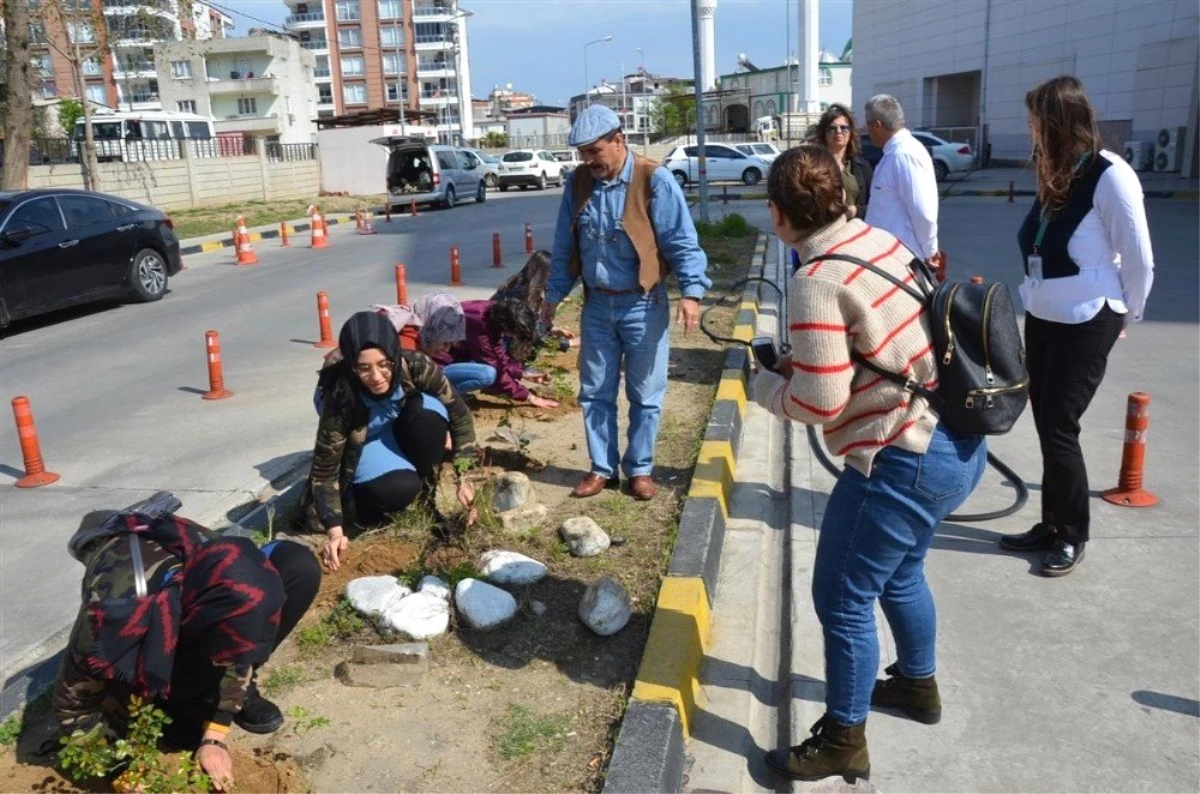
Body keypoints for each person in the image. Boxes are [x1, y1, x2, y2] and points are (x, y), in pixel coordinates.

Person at [752, 146, 987, 783]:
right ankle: (916, 686)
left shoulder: (816, 278)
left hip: (902, 457)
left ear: (777, 214)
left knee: (842, 597)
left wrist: (763, 389)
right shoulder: (877, 241)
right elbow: (865, 351)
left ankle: (844, 741)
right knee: (901, 574)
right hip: (957, 444)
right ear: (845, 198)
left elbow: (818, 400)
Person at [998, 76, 1154, 576]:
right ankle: (1051, 524)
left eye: (1036, 122)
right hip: (1044, 316)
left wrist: (1127, 313)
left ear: (1059, 122)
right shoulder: (1058, 172)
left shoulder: (1110, 174)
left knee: (1061, 424)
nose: (1031, 132)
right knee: (1045, 419)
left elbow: (1139, 258)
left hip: (1088, 318)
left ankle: (1073, 533)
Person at [53, 506, 320, 792]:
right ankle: (167, 694)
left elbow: (238, 648)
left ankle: (195, 693)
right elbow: (72, 703)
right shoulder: (115, 613)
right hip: (132, 591)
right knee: (178, 731)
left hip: (182, 601)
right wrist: (123, 771)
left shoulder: (227, 569)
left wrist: (214, 737)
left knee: (295, 567)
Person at [544, 104, 711, 501]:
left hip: (643, 304)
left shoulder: (655, 180)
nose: (588, 161)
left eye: (594, 152)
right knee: (595, 392)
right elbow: (565, 245)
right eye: (583, 154)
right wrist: (551, 298)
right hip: (598, 307)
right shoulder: (578, 184)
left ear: (618, 140)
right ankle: (602, 469)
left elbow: (680, 240)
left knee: (646, 394)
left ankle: (640, 468)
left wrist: (691, 292)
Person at [298, 311, 478, 570]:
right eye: (364, 368)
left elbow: (459, 414)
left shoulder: (415, 364)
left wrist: (465, 475)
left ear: (395, 355)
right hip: (365, 436)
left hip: (398, 419)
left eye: (384, 364)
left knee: (428, 416)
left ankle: (426, 491)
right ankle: (366, 500)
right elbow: (324, 470)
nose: (377, 376)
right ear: (352, 366)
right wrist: (335, 530)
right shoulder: (340, 396)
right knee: (398, 489)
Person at [433, 298, 561, 409]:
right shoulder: (478, 323)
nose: (513, 337)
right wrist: (529, 397)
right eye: (514, 333)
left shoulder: (492, 313)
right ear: (506, 326)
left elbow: (498, 355)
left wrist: (522, 373)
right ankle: (438, 393)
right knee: (487, 375)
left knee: (490, 368)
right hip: (435, 365)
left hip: (455, 356)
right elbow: (495, 367)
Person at [863, 94, 940, 265]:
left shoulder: (904, 155)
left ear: (877, 125)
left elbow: (923, 212)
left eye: (867, 125)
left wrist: (930, 251)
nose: (866, 131)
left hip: (902, 258)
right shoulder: (894, 153)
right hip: (888, 255)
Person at [491, 249, 581, 361]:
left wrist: (551, 329)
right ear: (543, 274)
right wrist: (568, 343)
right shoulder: (520, 294)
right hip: (499, 345)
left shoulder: (520, 285)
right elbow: (532, 335)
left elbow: (533, 323)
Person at [813, 102, 873, 219]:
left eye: (844, 127)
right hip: (825, 232)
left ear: (851, 132)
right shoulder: (814, 166)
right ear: (824, 133)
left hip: (856, 230)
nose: (838, 132)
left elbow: (875, 205)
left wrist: (856, 210)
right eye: (832, 128)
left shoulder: (862, 167)